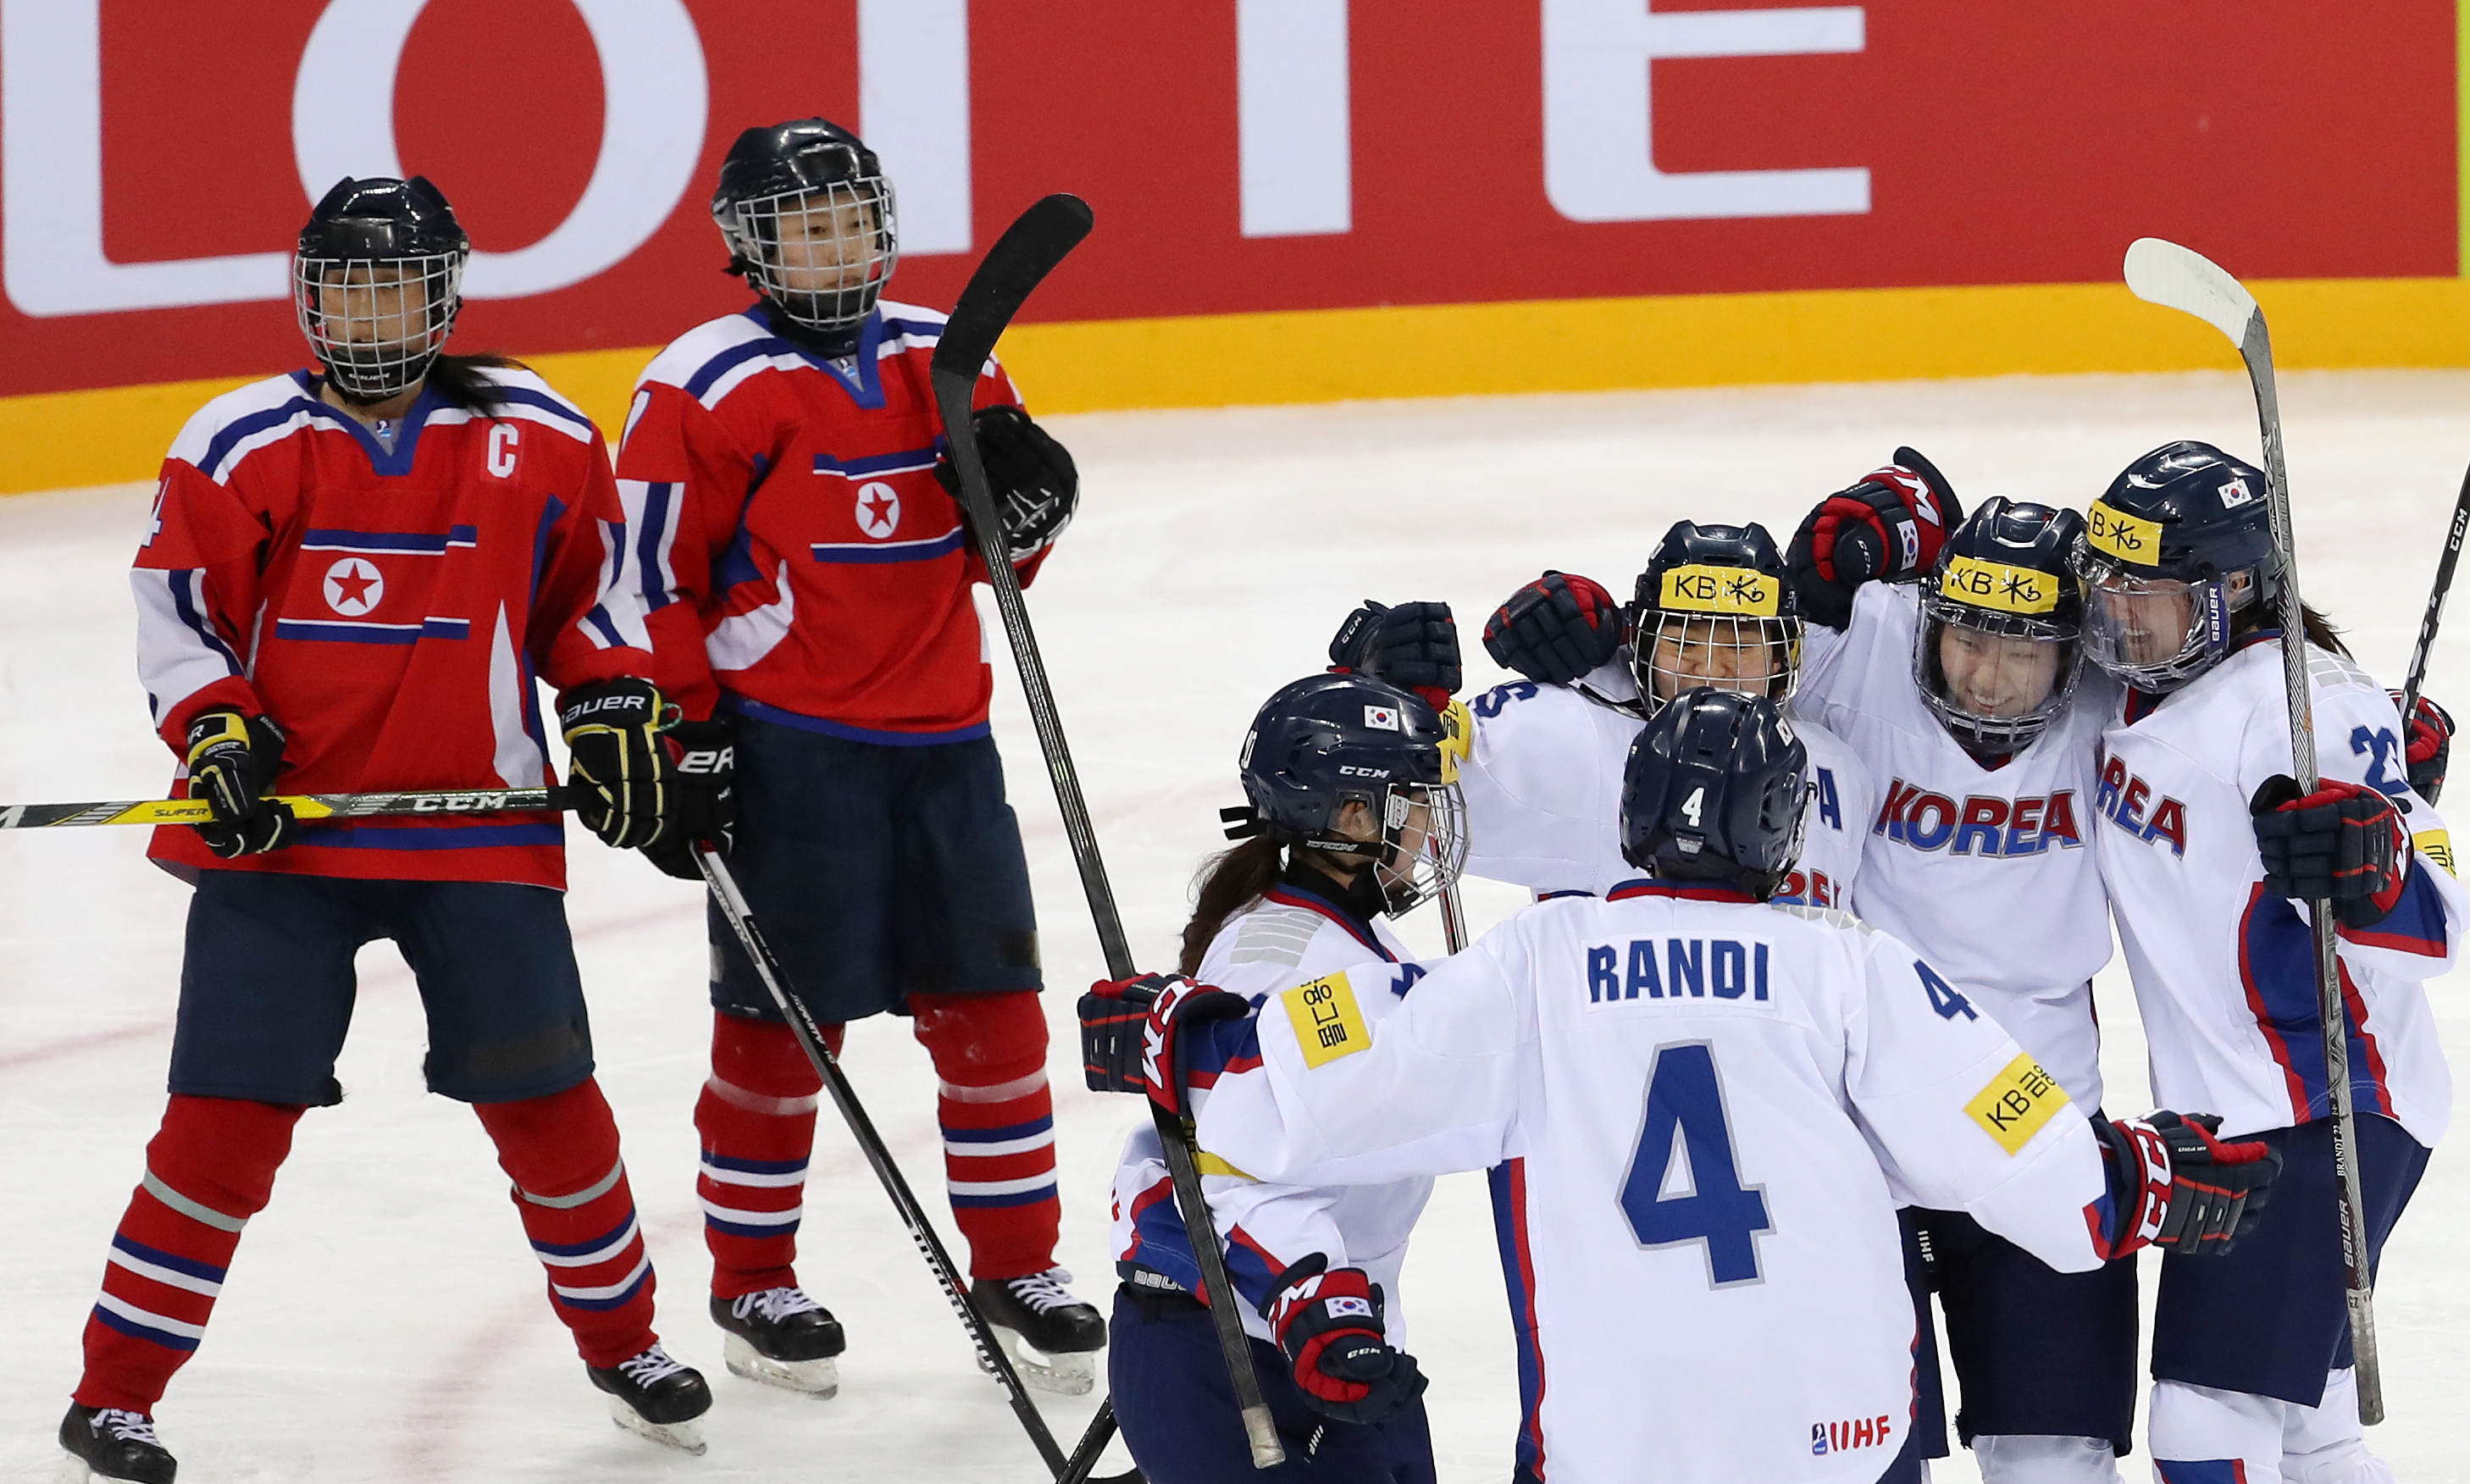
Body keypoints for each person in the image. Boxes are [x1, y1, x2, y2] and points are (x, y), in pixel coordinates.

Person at [1147, 689, 2283, 1484]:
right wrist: (2133, 1179)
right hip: (1832, 1438)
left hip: (1612, 1442)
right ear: (1784, 830)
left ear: (1631, 817)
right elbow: (2016, 1138)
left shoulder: (1537, 962)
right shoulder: (1849, 966)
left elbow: (1325, 1067)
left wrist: (1186, 1039)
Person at [62, 176, 709, 1483]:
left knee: (549, 1106)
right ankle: (113, 1394)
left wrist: (613, 705)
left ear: (445, 297)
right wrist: (219, 737)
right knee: (222, 1125)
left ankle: (627, 1344)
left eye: (395, 289)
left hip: (477, 831)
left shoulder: (539, 432)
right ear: (308, 299)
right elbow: (181, 620)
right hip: (279, 845)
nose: (368, 316)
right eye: (345, 291)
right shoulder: (241, 441)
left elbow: (595, 602)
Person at [609, 117, 1099, 1398]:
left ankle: (1018, 1266)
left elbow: (994, 554)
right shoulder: (702, 384)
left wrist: (1030, 518)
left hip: (947, 744)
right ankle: (751, 1279)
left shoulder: (952, 357)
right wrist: (684, 730)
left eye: (849, 224)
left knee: (995, 1016)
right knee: (779, 1029)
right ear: (748, 246)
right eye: (803, 229)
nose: (833, 249)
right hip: (793, 752)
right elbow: (648, 579)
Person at [2070, 441, 2468, 1484]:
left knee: (2204, 1425)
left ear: (2233, 590)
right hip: (2242, 1111)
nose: (2117, 619)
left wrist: (2372, 863)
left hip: (2321, 1112)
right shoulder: (2136, 686)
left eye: (2148, 596)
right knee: (2309, 1437)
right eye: (2107, 588)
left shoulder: (2303, 707)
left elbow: (2435, 925)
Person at [1786, 474, 2140, 1481]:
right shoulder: (1862, 645)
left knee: (2055, 1459)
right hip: (1865, 1137)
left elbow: (2252, 678)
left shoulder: (2119, 695)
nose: (1987, 677)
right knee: (1861, 1461)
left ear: (2073, 651)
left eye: (2024, 652)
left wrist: (2379, 750)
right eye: (1969, 641)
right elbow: (1705, 656)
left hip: (2044, 1123)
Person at [1081, 671, 1463, 1481]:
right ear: (1353, 816)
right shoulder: (1281, 962)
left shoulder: (1337, 935)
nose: (1431, 827)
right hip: (1239, 1352)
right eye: (1415, 801)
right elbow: (1221, 1168)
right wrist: (1309, 1297)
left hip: (1312, 1336)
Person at [1464, 520, 1875, 907]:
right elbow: (1435, 806)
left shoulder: (1837, 768)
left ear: (1782, 657)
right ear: (1642, 646)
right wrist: (1432, 717)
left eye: (1740, 647)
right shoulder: (1573, 731)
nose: (1711, 669)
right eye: (1683, 643)